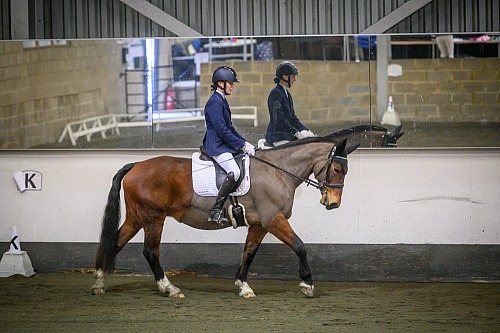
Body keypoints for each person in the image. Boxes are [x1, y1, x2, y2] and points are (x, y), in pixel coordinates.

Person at [203, 66, 256, 224]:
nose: (232, 86)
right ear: (220, 83)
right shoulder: (214, 102)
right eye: (230, 83)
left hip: (223, 143)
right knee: (234, 171)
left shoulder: (222, 101)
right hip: (217, 145)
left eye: (232, 83)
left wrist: (244, 142)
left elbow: (230, 128)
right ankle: (216, 210)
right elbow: (222, 131)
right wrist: (241, 145)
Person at [264, 61, 315, 147]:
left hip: (286, 134)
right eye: (293, 77)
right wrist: (295, 132)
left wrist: (305, 130)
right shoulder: (275, 93)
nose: (294, 80)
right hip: (277, 135)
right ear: (284, 77)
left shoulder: (287, 94)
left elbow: (293, 118)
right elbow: (279, 119)